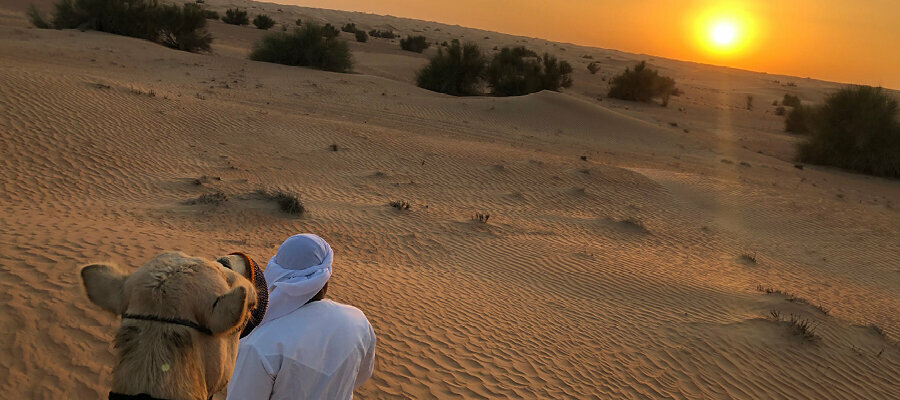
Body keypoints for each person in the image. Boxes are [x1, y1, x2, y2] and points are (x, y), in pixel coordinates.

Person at [227, 234, 376, 400]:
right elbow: (361, 376)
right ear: (325, 277)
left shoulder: (259, 344)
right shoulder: (358, 321)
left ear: (275, 274)